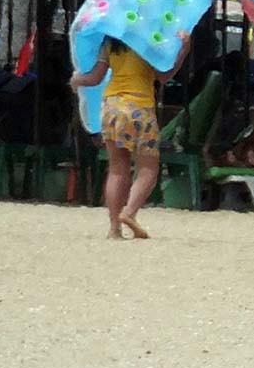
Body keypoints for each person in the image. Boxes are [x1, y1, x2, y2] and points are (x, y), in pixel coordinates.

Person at [70, 33, 190, 239]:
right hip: (139, 108)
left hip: (112, 107)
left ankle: (114, 229)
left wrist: (76, 80)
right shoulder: (149, 40)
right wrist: (183, 51)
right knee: (148, 169)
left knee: (117, 170)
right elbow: (163, 76)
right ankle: (130, 212)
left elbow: (94, 78)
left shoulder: (110, 42)